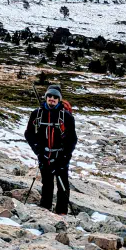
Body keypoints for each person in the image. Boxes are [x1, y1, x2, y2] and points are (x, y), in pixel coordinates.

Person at [24, 84, 77, 214]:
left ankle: (62, 212)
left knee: (62, 184)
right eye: (49, 96)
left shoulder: (67, 117)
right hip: (44, 154)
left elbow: (72, 139)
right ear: (46, 97)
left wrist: (64, 157)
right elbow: (29, 134)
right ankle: (45, 209)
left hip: (61, 156)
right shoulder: (37, 114)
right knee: (47, 182)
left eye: (55, 97)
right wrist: (38, 150)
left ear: (59, 99)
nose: (52, 99)